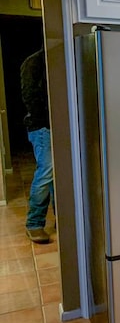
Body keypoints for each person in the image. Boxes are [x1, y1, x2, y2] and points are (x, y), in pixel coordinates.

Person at [20, 48, 54, 244]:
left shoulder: (58, 59)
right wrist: (46, 121)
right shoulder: (34, 62)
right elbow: (30, 95)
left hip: (57, 126)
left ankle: (63, 218)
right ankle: (34, 223)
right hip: (42, 127)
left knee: (59, 173)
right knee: (47, 171)